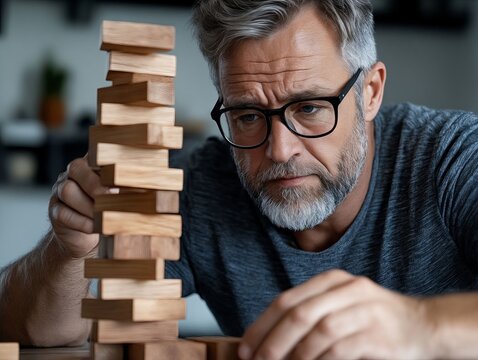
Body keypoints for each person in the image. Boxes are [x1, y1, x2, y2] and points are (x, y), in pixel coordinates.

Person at [1, 0, 478, 358]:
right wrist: (68, 249)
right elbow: (38, 331)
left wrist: (421, 325)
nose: (278, 149)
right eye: (247, 115)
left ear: (370, 92)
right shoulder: (198, 190)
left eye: (309, 108)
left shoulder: (452, 157)